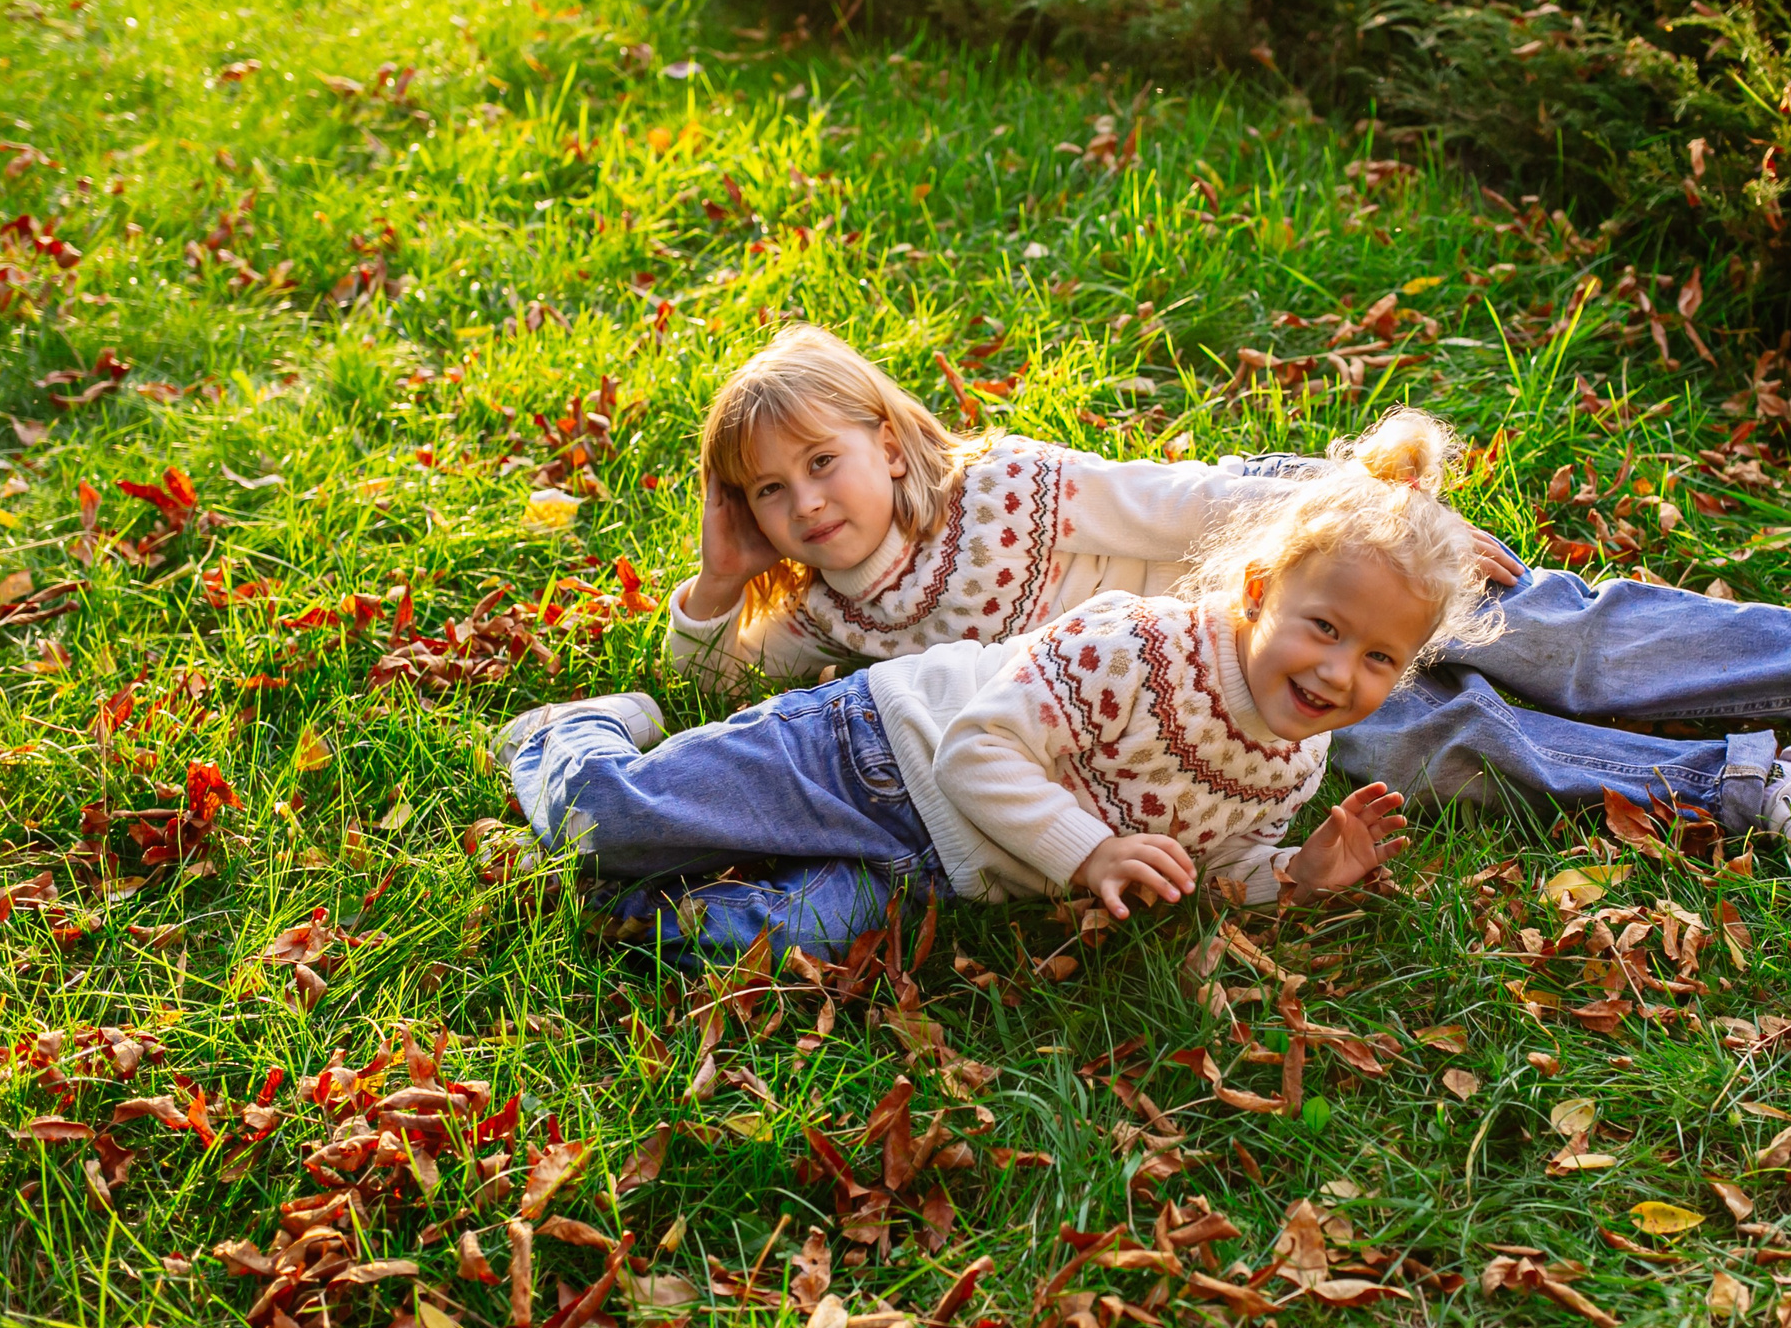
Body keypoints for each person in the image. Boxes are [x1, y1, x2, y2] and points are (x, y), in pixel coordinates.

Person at [660, 324, 1791, 891]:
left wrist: (1373, 516)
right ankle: (1768, 785)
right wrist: (717, 580)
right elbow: (720, 681)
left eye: (821, 463)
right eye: (768, 494)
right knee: (1444, 747)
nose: (805, 505)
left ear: (889, 441)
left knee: (1527, 626)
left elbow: (1184, 501)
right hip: (1221, 722)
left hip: (1279, 579)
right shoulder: (843, 618)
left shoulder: (1006, 487)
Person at [496, 411, 1500, 963]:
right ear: (1257, 595)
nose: (1336, 671)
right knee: (615, 827)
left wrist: (1296, 874)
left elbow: (1197, 869)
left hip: (939, 874)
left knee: (719, 946)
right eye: (1322, 628)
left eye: (1377, 659)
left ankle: (641, 890)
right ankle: (568, 736)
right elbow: (980, 747)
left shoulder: (1295, 759)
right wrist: (1089, 846)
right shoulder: (1139, 646)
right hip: (871, 755)